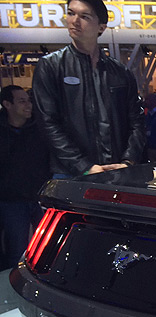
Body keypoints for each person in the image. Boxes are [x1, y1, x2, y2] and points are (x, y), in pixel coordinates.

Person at [32, 0, 145, 177]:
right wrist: (84, 166)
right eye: (71, 13)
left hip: (117, 170)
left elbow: (137, 121)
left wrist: (128, 161)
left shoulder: (120, 72)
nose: (75, 21)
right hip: (71, 173)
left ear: (101, 27)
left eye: (84, 16)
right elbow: (48, 123)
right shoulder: (51, 66)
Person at [0, 86, 50, 268]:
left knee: (48, 245)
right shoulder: (3, 132)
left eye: (29, 101)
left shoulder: (38, 128)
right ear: (7, 104)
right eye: (22, 101)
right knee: (17, 249)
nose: (28, 105)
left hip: (39, 196)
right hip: (12, 200)